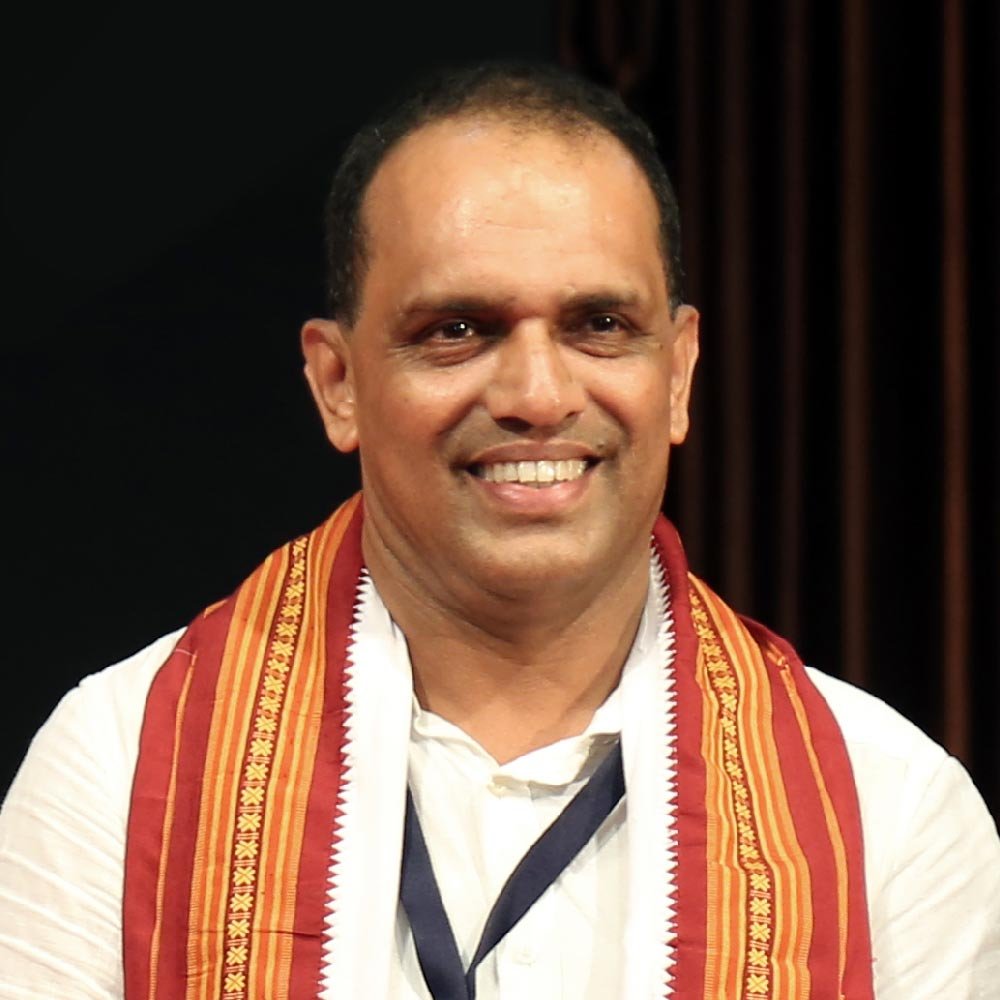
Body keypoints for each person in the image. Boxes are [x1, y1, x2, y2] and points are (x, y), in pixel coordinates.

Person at [1, 62, 998, 1000]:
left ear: (679, 372)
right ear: (338, 383)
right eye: (459, 329)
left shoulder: (892, 807)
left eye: (599, 325)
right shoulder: (119, 769)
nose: (537, 395)